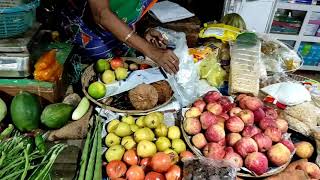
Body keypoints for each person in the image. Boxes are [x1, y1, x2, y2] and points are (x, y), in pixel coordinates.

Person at [61, 0, 179, 74]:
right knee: (97, 76)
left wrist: (144, 29)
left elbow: (134, 4)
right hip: (90, 33)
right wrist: (151, 51)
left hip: (124, 33)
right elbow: (101, 14)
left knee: (127, 73)